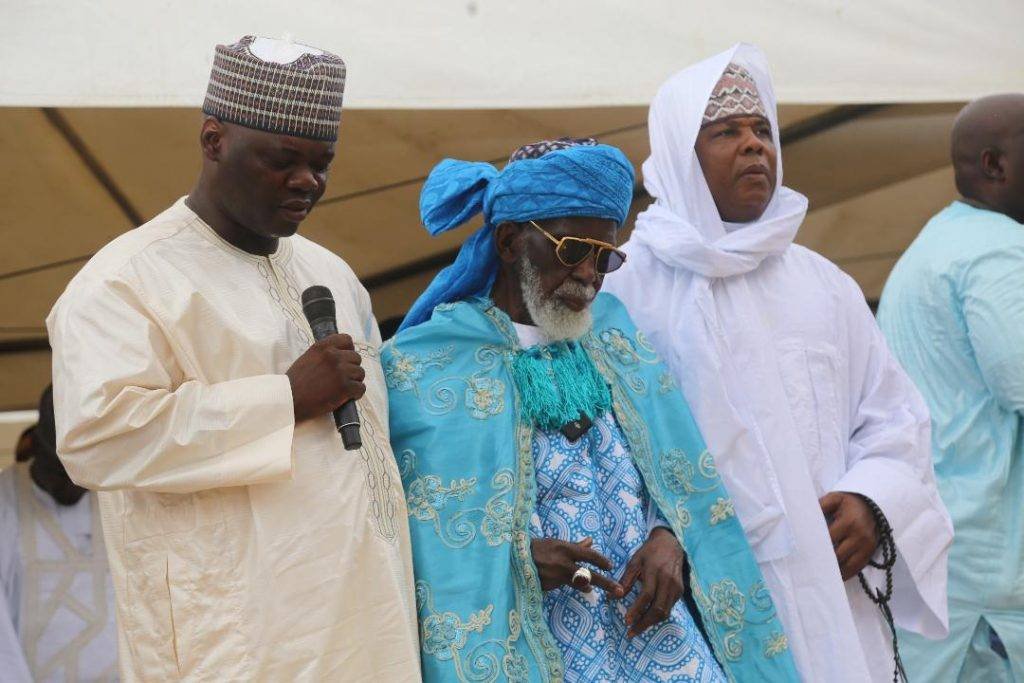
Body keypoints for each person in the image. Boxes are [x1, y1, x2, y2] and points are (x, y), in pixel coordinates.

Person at [46, 36, 419, 680]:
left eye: (321, 163)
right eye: (283, 159)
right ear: (214, 139)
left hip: (366, 623)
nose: (308, 182)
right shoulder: (125, 282)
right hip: (240, 639)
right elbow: (95, 437)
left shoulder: (330, 272)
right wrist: (285, 399)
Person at [384, 138, 799, 682]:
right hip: (534, 644)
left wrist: (667, 539)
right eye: (572, 250)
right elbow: (416, 537)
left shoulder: (614, 331)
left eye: (605, 256)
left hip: (650, 631)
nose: (590, 275)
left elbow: (680, 482)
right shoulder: (428, 363)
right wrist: (520, 558)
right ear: (510, 241)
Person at [602, 43, 953, 682]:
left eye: (763, 129)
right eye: (727, 132)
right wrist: (661, 531)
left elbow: (895, 418)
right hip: (706, 606)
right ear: (682, 151)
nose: (754, 146)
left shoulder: (824, 284)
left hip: (836, 594)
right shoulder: (624, 292)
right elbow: (607, 454)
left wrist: (873, 503)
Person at [877, 93, 1024, 681]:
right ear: (995, 165)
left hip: (938, 552)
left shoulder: (939, 240)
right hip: (984, 571)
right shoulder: (998, 251)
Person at [0, 385, 118, 681]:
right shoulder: (6, 501)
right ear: (34, 448)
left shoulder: (117, 496)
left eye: (81, 473)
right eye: (61, 471)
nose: (73, 484)